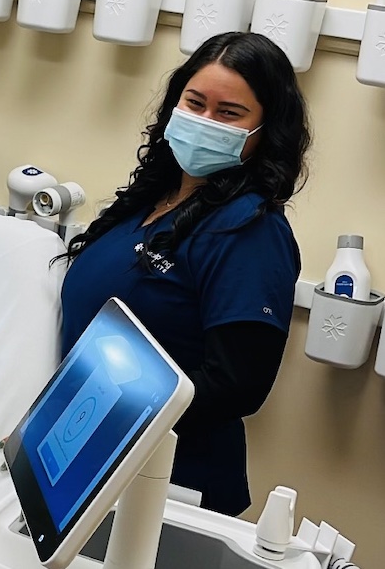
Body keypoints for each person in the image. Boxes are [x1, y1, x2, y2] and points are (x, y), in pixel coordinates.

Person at [59, 31, 311, 516]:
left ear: (265, 132)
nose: (204, 121)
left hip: (169, 481)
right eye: (194, 103)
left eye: (229, 113)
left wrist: (96, 423)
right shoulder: (150, 201)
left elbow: (236, 385)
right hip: (92, 453)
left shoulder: (249, 231)